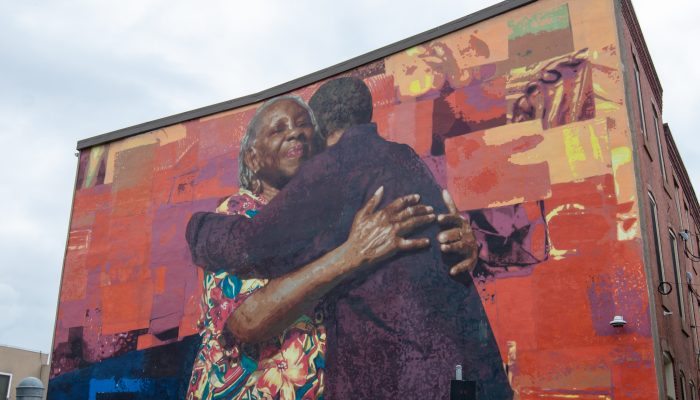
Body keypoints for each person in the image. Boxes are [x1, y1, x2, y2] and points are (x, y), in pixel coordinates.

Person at [187, 78, 512, 399]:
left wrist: (455, 243)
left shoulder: (337, 202)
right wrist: (350, 256)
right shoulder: (237, 213)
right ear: (254, 159)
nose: (295, 132)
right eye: (278, 129)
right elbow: (247, 321)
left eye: (304, 125)